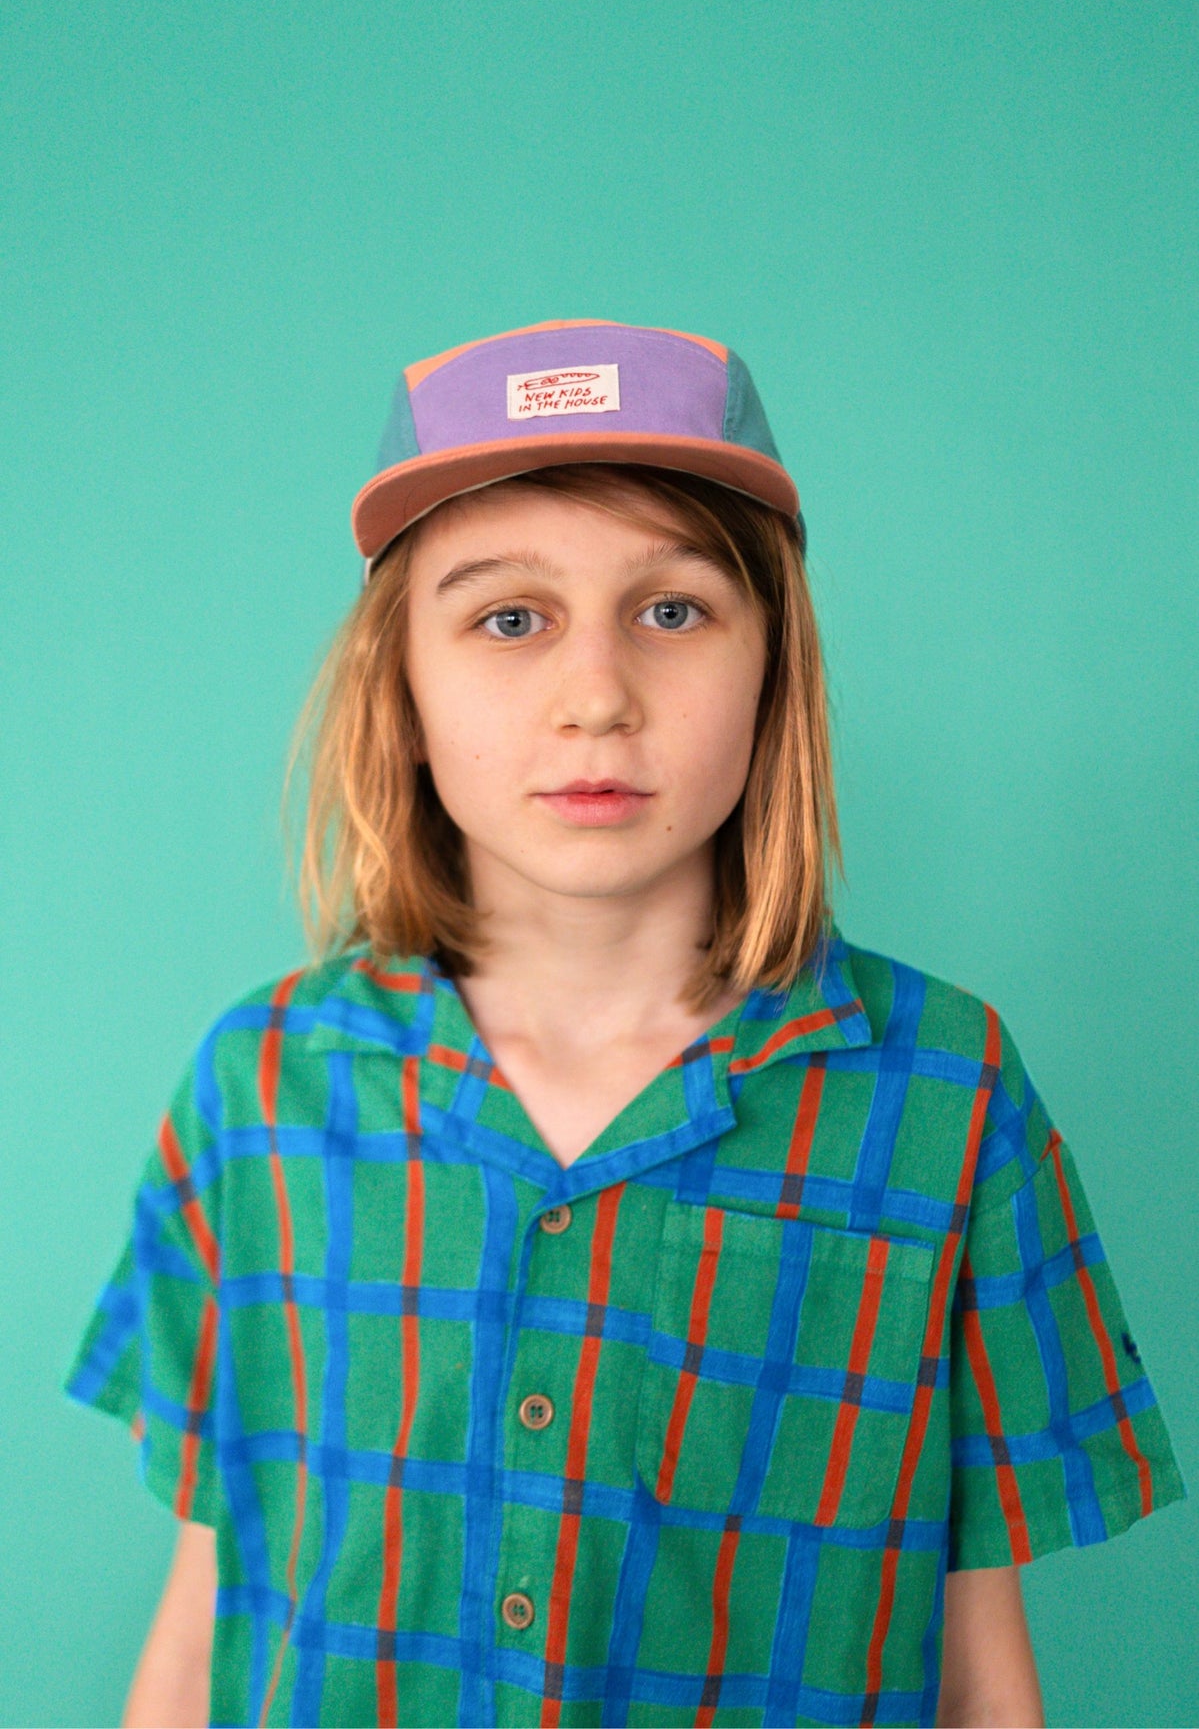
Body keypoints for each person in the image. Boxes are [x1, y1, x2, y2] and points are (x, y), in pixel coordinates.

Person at [64, 319, 1184, 1729]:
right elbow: (208, 1617)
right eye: (508, 619)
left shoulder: (945, 1094)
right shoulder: (262, 1087)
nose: (595, 696)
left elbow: (977, 1675)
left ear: (772, 669)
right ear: (401, 686)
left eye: (671, 612)